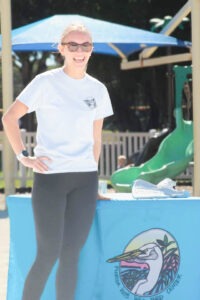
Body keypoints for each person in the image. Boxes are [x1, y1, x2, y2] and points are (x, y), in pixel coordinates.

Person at [2, 23, 113, 300]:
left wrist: (94, 180)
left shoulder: (98, 89)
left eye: (85, 45)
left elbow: (95, 140)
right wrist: (23, 156)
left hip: (85, 181)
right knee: (48, 253)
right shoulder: (45, 82)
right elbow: (9, 118)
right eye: (72, 45)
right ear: (61, 49)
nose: (79, 51)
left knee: (71, 254)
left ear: (91, 50)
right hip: (50, 179)